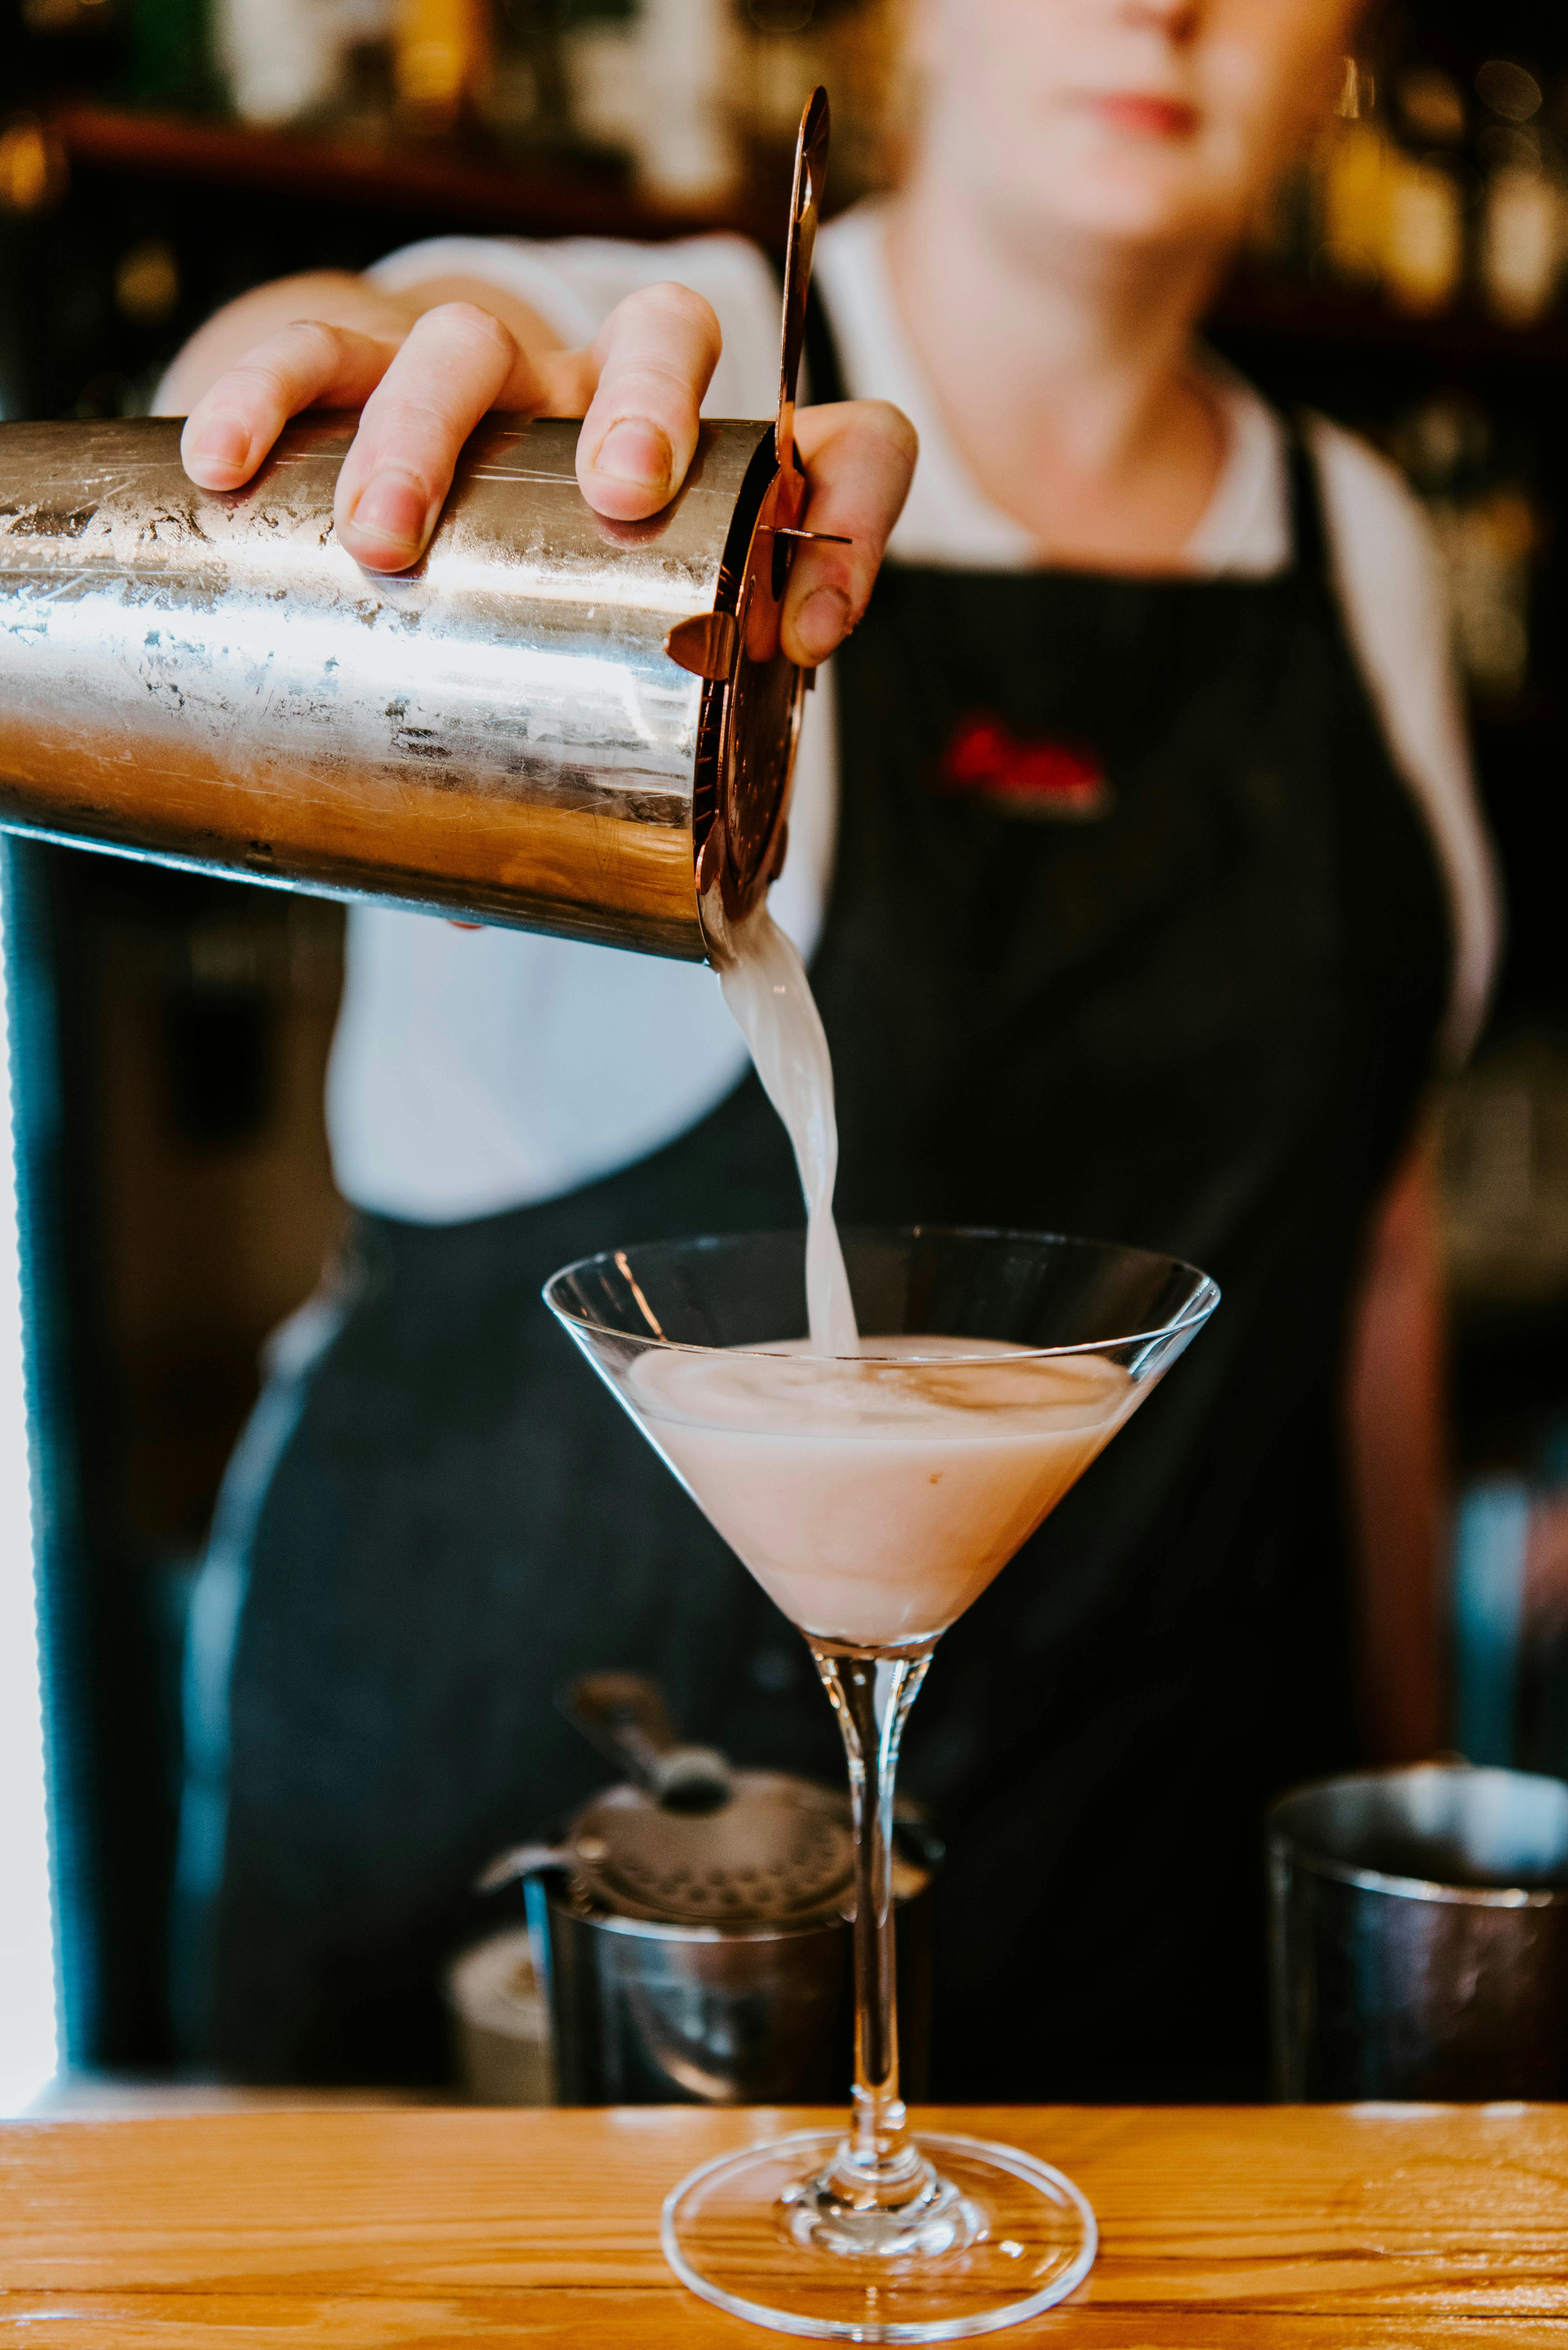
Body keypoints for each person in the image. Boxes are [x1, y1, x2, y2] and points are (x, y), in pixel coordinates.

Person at [162, 0, 1497, 2097]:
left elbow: (1373, 1247)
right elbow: (459, 344)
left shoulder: (1368, 553)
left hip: (1148, 1867)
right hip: (568, 1899)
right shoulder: (684, 408)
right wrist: (374, 397)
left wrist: (1401, 1781)